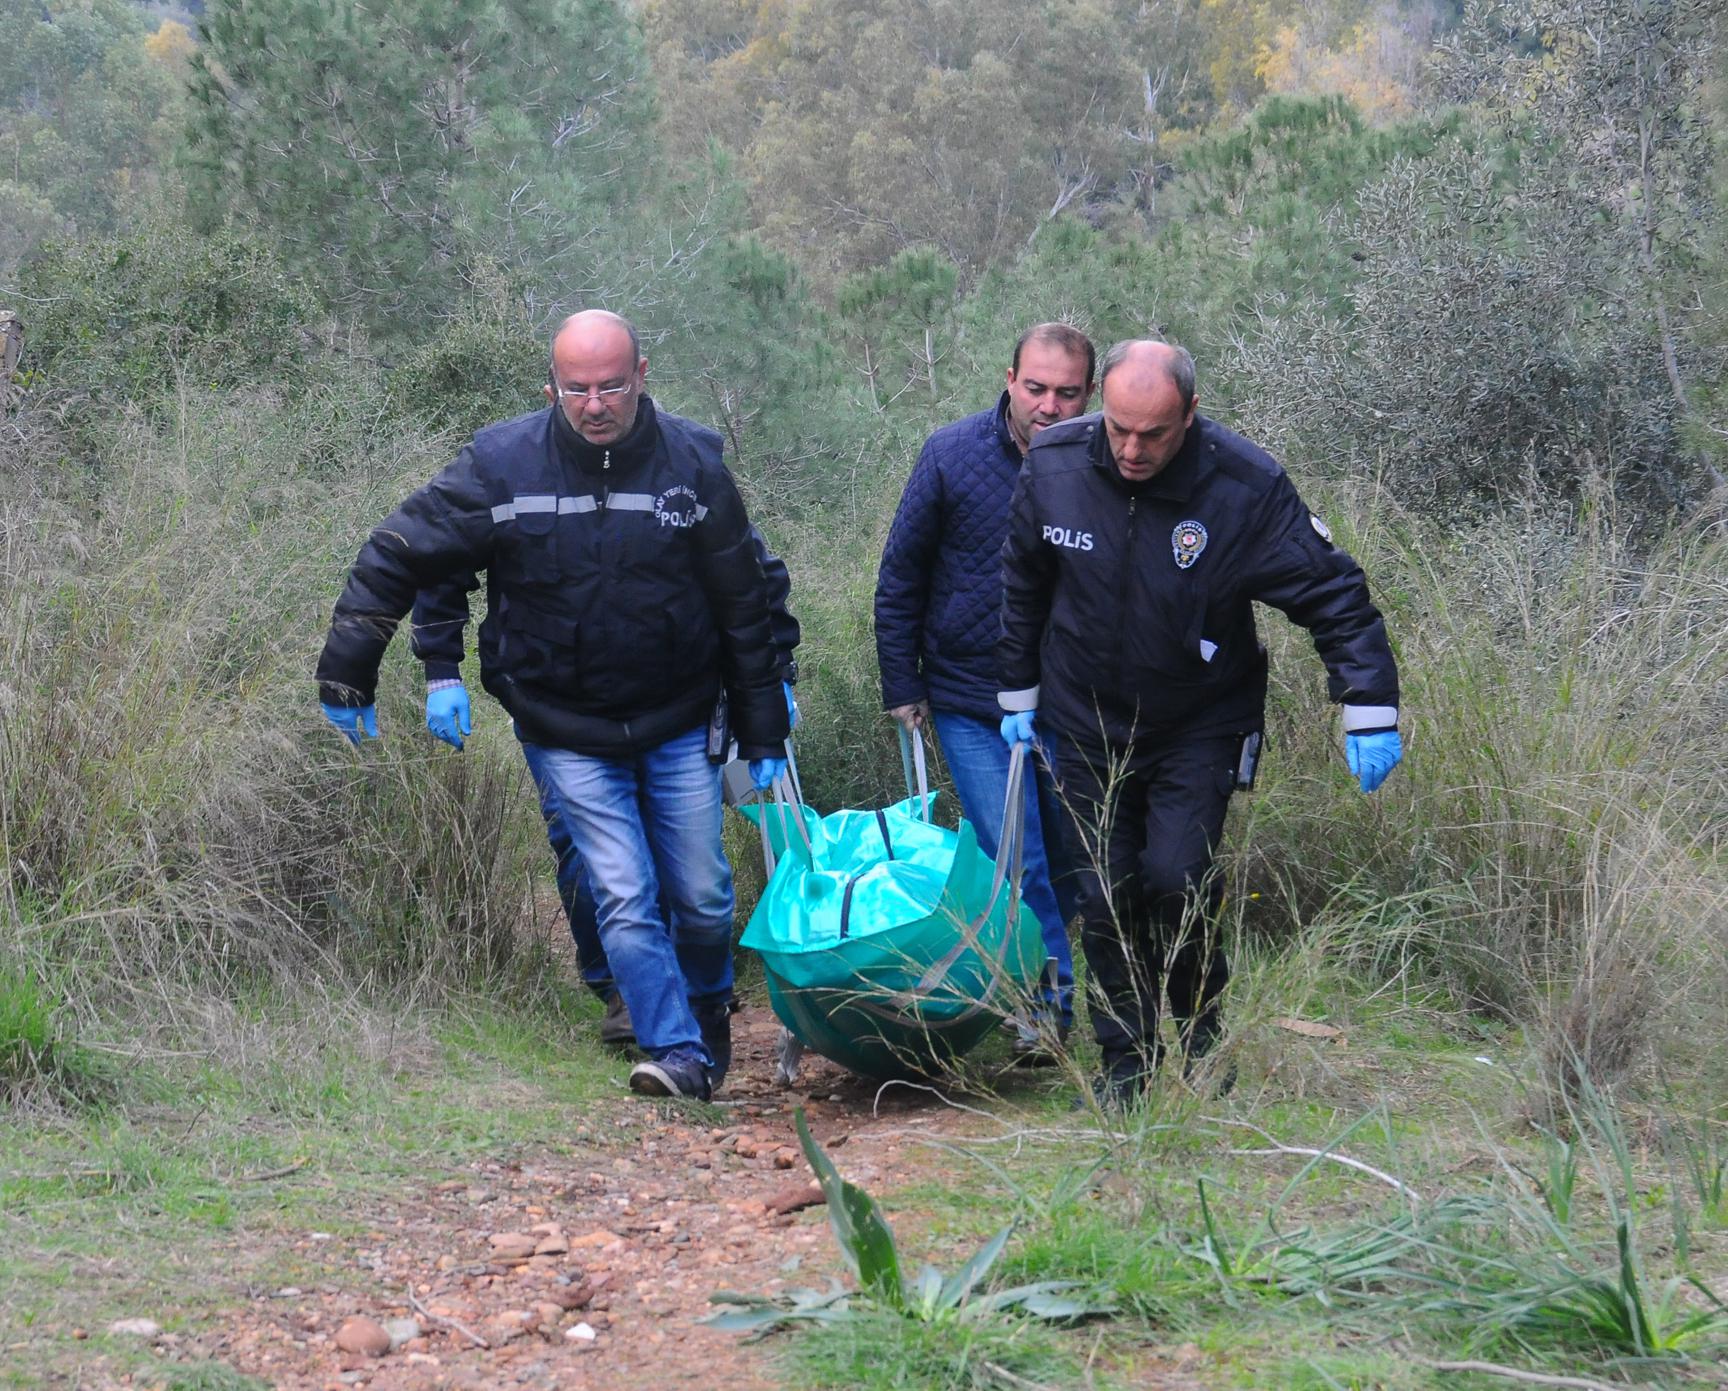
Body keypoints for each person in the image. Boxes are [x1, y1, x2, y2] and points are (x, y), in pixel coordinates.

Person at [316, 309, 790, 1101]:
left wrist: (764, 720)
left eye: (610, 385)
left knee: (704, 895)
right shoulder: (501, 464)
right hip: (562, 724)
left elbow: (743, 598)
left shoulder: (693, 462)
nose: (594, 404)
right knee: (623, 892)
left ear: (641, 378)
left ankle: (708, 1009)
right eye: (577, 389)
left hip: (678, 715)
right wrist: (350, 670)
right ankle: (675, 1050)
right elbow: (399, 552)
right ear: (551, 388)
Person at [997, 339, 1402, 1104]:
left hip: (1200, 721)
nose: (1131, 450)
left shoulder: (1242, 486)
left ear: (1189, 413)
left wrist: (1368, 705)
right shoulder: (1054, 465)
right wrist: (1017, 694)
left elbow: (1334, 593)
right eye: (1118, 428)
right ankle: (1126, 1065)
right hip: (1083, 718)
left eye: (1152, 433)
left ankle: (1201, 1034)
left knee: (1176, 878)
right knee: (1104, 894)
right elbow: (1023, 581)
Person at [410, 530, 802, 1050]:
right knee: (584, 846)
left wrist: (776, 673)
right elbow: (447, 554)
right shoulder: (511, 482)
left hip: (678, 701)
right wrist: (441, 671)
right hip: (553, 704)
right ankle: (624, 990)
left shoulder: (681, 481)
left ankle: (690, 988)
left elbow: (748, 564)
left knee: (685, 860)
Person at [875, 323, 1094, 1060]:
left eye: (1066, 393)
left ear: (1089, 394)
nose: (1049, 406)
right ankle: (1045, 1009)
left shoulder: (1107, 460)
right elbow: (901, 573)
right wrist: (903, 681)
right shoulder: (951, 453)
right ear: (1009, 380)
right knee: (1016, 853)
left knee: (1073, 857)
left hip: (1073, 697)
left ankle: (1028, 965)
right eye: (1035, 388)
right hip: (972, 696)